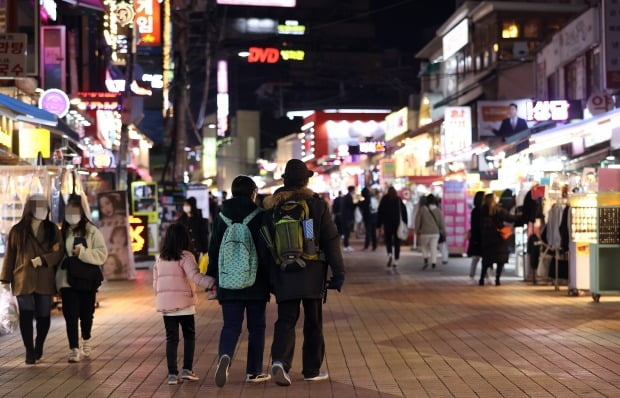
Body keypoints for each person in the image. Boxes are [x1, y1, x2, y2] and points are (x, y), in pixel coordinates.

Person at [263, 159, 345, 387]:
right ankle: (311, 369)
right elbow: (330, 239)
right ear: (306, 180)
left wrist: (269, 276)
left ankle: (280, 360)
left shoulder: (272, 208)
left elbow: (266, 244)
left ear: (285, 180)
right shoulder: (316, 205)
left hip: (283, 272)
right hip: (312, 271)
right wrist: (338, 272)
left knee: (286, 320)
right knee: (314, 322)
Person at [207, 176, 271, 387]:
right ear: (253, 192)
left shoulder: (221, 216)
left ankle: (225, 355)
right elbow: (266, 249)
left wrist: (213, 277)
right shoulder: (260, 216)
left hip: (228, 280)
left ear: (233, 192)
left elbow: (214, 249)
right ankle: (253, 372)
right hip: (256, 281)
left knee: (231, 325)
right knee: (257, 327)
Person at [0, 194, 63, 364]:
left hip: (44, 278)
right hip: (23, 277)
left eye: (45, 207)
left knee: (44, 315)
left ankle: (39, 344)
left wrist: (44, 259)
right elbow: (10, 256)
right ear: (30, 209)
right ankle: (29, 350)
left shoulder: (52, 229)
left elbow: (59, 253)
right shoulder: (17, 230)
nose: (43, 211)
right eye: (39, 207)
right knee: (26, 314)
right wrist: (4, 280)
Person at [153, 223, 215, 385]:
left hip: (167, 307)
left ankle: (172, 374)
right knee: (189, 336)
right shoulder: (186, 256)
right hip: (185, 305)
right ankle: (187, 370)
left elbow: (156, 284)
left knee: (171, 339)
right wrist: (212, 283)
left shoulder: (160, 258)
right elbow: (195, 276)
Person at [56, 194, 108, 363]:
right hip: (67, 280)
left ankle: (86, 339)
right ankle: (74, 348)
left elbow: (102, 254)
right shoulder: (61, 232)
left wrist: (83, 253)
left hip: (86, 279)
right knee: (70, 315)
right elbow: (56, 257)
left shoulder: (92, 230)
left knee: (87, 313)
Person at [479, 193, 520, 286]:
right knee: (500, 260)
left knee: (486, 260)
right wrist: (519, 215)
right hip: (499, 238)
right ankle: (497, 279)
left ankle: (481, 279)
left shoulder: (482, 210)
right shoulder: (499, 210)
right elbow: (510, 218)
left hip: (487, 238)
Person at [377, 186, 407, 269]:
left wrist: (379, 225)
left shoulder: (384, 199)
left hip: (387, 224)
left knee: (388, 240)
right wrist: (405, 223)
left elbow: (380, 212)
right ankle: (396, 261)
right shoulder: (398, 199)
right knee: (397, 242)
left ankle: (390, 254)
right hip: (397, 224)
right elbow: (404, 212)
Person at [415, 194, 446, 270]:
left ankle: (426, 259)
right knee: (434, 247)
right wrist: (443, 231)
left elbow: (417, 221)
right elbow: (441, 222)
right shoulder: (438, 210)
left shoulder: (422, 209)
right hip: (435, 232)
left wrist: (417, 230)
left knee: (424, 247)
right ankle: (433, 263)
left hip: (424, 232)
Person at [177, 197, 210, 262]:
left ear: (192, 206)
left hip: (197, 251)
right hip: (184, 251)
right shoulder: (180, 220)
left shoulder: (200, 220)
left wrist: (205, 251)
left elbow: (204, 236)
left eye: (187, 205)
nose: (185, 207)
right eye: (184, 205)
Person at [467, 191, 485, 281]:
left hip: (476, 237)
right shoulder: (479, 211)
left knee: (476, 258)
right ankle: (485, 276)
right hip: (479, 237)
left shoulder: (475, 211)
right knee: (481, 258)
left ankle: (472, 275)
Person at [340, 186, 355, 251]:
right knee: (347, 232)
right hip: (347, 217)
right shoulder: (349, 197)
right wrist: (357, 204)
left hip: (345, 217)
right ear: (352, 190)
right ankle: (346, 246)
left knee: (346, 231)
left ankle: (346, 245)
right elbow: (351, 206)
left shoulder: (346, 197)